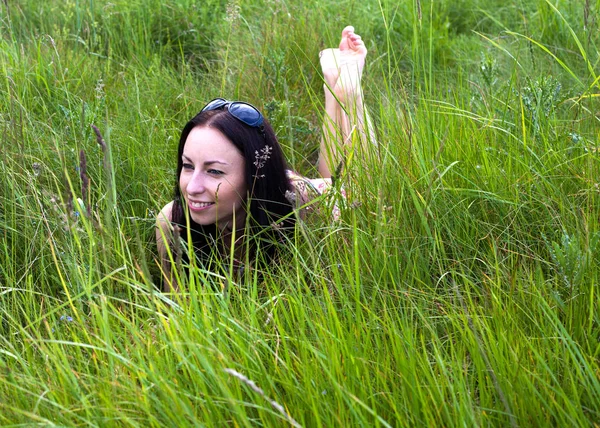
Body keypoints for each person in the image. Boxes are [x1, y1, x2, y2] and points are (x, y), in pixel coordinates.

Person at [156, 26, 375, 291]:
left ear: (253, 175)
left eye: (214, 171)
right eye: (188, 166)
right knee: (330, 185)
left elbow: (367, 198)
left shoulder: (294, 209)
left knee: (344, 194)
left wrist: (351, 96)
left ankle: (346, 92)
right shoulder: (172, 221)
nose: (192, 187)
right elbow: (175, 310)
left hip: (300, 197)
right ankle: (335, 91)